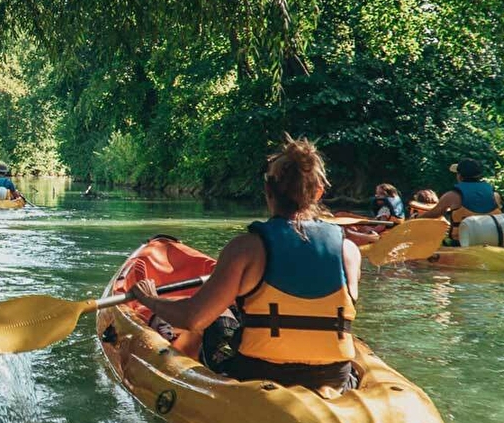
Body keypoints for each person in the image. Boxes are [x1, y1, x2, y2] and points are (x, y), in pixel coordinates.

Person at [130, 135, 362, 392]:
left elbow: (193, 318)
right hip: (333, 376)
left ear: (268, 190)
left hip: (261, 373)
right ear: (318, 192)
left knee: (220, 319)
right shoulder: (348, 250)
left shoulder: (246, 248)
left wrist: (149, 298)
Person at [414, 158, 503, 239]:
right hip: (493, 238)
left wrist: (416, 217)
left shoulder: (452, 195)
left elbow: (434, 214)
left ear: (459, 176)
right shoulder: (495, 195)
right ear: (479, 176)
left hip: (463, 241)